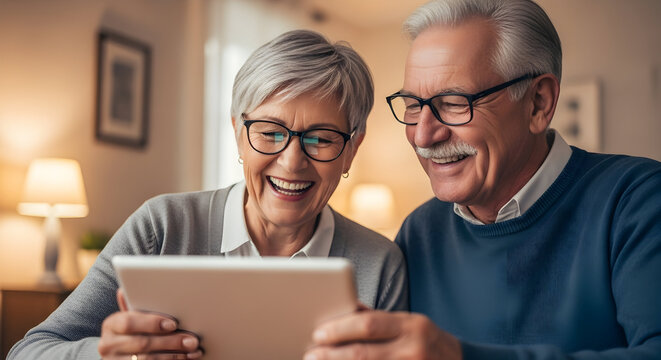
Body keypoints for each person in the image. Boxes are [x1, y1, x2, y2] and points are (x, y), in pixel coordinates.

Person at [8, 29, 408, 360]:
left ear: (352, 148)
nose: (291, 162)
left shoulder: (378, 265)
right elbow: (27, 352)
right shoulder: (162, 226)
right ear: (238, 133)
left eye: (320, 139)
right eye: (270, 133)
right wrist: (108, 354)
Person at [305, 0, 661, 359]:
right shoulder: (420, 232)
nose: (424, 136)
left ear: (538, 103)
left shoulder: (638, 200)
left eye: (455, 101)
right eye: (413, 104)